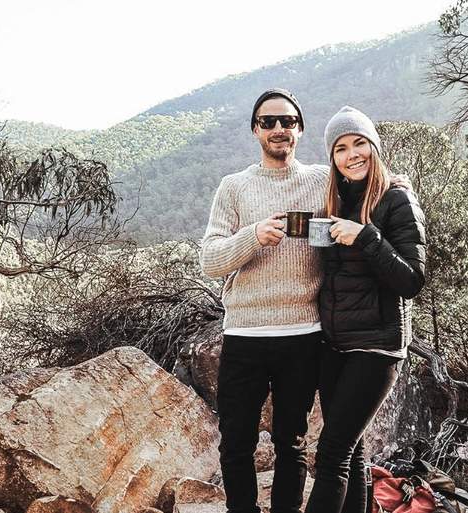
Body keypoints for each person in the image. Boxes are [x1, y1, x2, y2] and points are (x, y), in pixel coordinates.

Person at [199, 88, 327, 513]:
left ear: (300, 130)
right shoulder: (233, 187)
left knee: (292, 444)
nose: (278, 129)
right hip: (246, 335)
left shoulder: (322, 182)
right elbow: (210, 260)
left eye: (287, 122)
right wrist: (252, 236)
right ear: (255, 129)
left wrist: (396, 185)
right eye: (268, 122)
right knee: (237, 443)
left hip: (304, 333)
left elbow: (362, 206)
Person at [305, 106, 426, 513]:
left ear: (373, 147)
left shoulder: (397, 199)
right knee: (353, 452)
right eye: (341, 148)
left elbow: (411, 281)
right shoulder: (334, 202)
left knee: (333, 451)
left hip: (377, 347)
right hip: (334, 345)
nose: (351, 154)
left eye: (359, 143)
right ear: (332, 158)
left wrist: (366, 236)